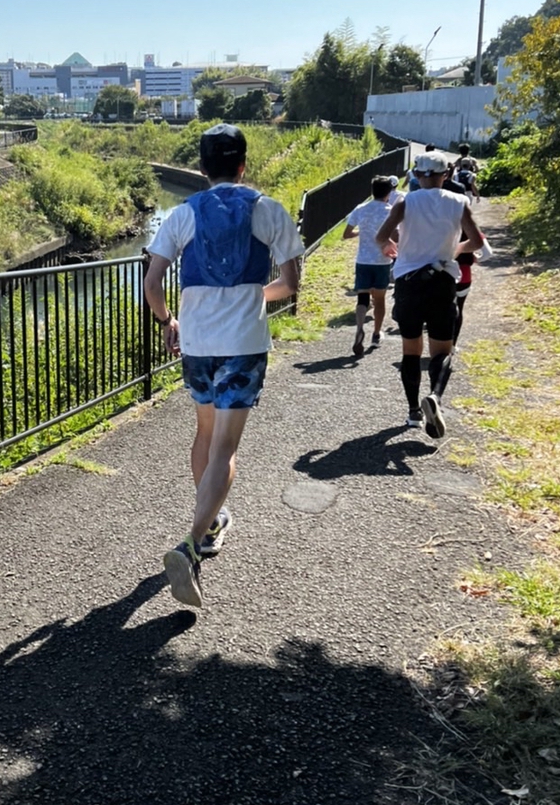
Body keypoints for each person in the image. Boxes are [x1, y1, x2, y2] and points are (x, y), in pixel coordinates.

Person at [144, 124, 303, 608]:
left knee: (205, 436)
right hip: (243, 343)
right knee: (226, 448)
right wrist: (253, 297)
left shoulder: (182, 214)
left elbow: (152, 283)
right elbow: (290, 282)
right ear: (243, 166)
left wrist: (169, 321)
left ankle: (212, 521)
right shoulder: (268, 209)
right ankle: (192, 543)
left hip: (196, 342)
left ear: (201, 168)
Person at [375, 151, 483, 439]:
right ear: (446, 175)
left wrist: (391, 246)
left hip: (409, 282)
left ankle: (413, 412)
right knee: (442, 350)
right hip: (442, 280)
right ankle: (435, 396)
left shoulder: (406, 202)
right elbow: (476, 241)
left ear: (416, 174)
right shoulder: (459, 202)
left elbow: (381, 236)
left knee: (411, 349)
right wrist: (457, 249)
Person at [342, 175, 395, 357]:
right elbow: (396, 235)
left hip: (363, 260)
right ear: (389, 193)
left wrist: (361, 232)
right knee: (379, 300)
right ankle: (376, 334)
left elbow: (346, 234)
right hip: (382, 261)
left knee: (362, 298)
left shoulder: (361, 208)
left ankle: (359, 328)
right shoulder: (391, 211)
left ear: (372, 191)